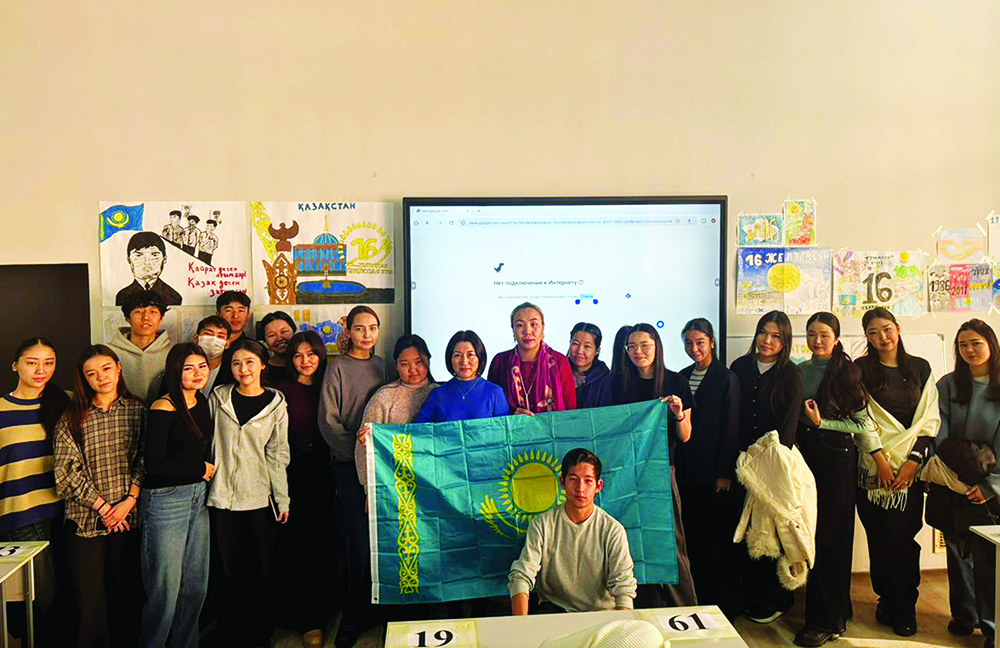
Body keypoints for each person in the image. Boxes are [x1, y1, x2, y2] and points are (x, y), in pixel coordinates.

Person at [793, 312, 887, 647]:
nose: (817, 341)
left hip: (836, 459)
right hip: (806, 457)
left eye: (823, 335)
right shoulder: (800, 370)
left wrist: (824, 424)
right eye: (811, 334)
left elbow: (861, 425)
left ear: (835, 338)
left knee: (831, 539)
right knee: (811, 536)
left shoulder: (847, 372)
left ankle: (826, 622)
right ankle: (837, 609)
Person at [855, 307, 939, 637]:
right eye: (873, 332)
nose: (882, 337)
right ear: (867, 336)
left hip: (909, 470)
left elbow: (930, 419)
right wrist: (879, 460)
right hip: (872, 469)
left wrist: (912, 463)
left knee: (902, 539)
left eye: (887, 329)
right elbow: (859, 416)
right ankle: (886, 600)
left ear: (898, 328)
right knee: (878, 538)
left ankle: (905, 606)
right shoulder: (860, 369)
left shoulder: (920, 367)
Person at [53, 345, 144, 648]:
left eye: (106, 369)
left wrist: (128, 501)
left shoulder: (137, 410)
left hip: (129, 519)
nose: (101, 377)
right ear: (83, 379)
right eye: (91, 374)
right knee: (88, 603)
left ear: (118, 367)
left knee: (127, 595)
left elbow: (146, 458)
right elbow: (66, 473)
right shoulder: (72, 417)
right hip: (85, 522)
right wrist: (105, 507)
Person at [207, 338, 290, 648]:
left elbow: (277, 455)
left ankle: (259, 633)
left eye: (250, 362)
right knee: (227, 571)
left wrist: (282, 498)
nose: (243, 369)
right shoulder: (219, 398)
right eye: (237, 363)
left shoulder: (275, 404)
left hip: (259, 498)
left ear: (263, 365)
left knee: (259, 571)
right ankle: (230, 632)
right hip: (221, 497)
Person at [612, 323, 697, 608]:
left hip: (661, 472)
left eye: (645, 345)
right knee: (630, 539)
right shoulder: (619, 384)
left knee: (670, 541)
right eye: (632, 347)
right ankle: (637, 602)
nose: (638, 352)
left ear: (657, 346)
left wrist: (678, 414)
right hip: (627, 474)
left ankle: (682, 606)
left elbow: (685, 436)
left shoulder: (675, 382)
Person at [318, 305, 388, 647]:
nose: (367, 334)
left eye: (372, 328)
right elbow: (328, 422)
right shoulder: (338, 368)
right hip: (349, 465)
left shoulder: (385, 365)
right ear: (349, 331)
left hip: (383, 467)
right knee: (356, 541)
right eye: (360, 328)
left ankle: (377, 609)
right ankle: (352, 616)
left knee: (381, 539)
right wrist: (359, 453)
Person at [729, 310, 804, 624]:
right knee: (744, 531)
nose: (767, 341)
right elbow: (731, 415)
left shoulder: (791, 373)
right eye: (763, 333)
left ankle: (775, 599)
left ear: (785, 341)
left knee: (771, 533)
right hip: (741, 463)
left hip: (772, 464)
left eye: (776, 336)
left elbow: (789, 425)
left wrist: (772, 464)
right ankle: (748, 595)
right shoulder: (739, 367)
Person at [928, 319, 1000, 645]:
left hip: (990, 487)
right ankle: (964, 614)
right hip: (953, 481)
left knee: (988, 561)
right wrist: (954, 473)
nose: (969, 350)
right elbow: (937, 431)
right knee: (956, 554)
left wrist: (989, 486)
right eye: (963, 345)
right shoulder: (948, 385)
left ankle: (992, 627)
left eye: (976, 343)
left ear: (991, 345)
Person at [139, 343, 215, 648]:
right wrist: (199, 469)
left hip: (198, 497)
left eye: (202, 367)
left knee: (195, 587)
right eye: (188, 368)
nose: (197, 374)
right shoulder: (163, 407)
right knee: (165, 593)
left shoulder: (202, 400)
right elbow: (154, 464)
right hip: (166, 501)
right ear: (174, 371)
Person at [0, 338, 71, 644]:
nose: (41, 370)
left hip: (66, 512)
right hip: (22, 513)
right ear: (15, 366)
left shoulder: (65, 402)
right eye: (32, 362)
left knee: (66, 593)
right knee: (41, 597)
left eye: (49, 363)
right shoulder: (1, 409)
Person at [508, 448, 637, 614]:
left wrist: (622, 627)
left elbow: (624, 588)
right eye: (573, 479)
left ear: (598, 486)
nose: (580, 488)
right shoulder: (542, 525)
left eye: (588, 481)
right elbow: (521, 576)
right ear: (563, 482)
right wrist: (520, 625)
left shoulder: (613, 530)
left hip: (601, 613)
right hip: (554, 610)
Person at [675, 318, 741, 619]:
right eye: (688, 343)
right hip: (687, 469)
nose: (694, 348)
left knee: (716, 540)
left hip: (714, 471)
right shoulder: (682, 376)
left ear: (712, 342)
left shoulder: (726, 378)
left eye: (700, 342)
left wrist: (725, 473)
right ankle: (698, 599)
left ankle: (724, 605)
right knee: (693, 538)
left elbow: (731, 427)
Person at [272, 330, 335, 648]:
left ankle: (316, 617)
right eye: (297, 355)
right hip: (290, 467)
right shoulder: (281, 390)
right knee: (294, 543)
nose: (305, 360)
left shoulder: (329, 385)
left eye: (311, 354)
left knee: (320, 542)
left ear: (321, 355)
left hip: (323, 467)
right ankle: (298, 615)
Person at [357, 334, 439, 495]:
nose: (412, 369)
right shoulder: (384, 397)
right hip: (392, 487)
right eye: (404, 364)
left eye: (418, 362)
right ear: (396, 366)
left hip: (432, 485)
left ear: (428, 361)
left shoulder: (441, 394)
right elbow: (363, 449)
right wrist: (371, 490)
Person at [487, 302, 576, 414]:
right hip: (512, 425)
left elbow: (571, 411)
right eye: (520, 325)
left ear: (543, 327)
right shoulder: (500, 362)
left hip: (554, 425)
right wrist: (512, 414)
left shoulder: (559, 361)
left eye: (534, 324)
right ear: (513, 329)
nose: (528, 331)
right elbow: (492, 407)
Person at [414, 330, 508, 423]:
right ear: (450, 359)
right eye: (457, 355)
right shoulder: (438, 395)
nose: (464, 362)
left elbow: (505, 430)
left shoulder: (495, 393)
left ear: (480, 357)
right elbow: (420, 430)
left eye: (470, 355)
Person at [108, 289, 172, 404]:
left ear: (161, 318)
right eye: (138, 312)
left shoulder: (173, 352)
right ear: (127, 318)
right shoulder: (109, 353)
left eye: (153, 312)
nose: (146, 317)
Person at [115, 231, 182, 307]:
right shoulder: (122, 296)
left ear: (164, 259)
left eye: (154, 255)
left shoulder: (173, 296)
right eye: (139, 255)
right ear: (129, 259)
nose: (147, 262)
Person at [211, 291, 252, 389]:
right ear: (218, 314)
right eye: (229, 310)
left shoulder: (253, 348)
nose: (235, 316)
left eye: (241, 310)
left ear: (248, 315)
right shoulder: (207, 344)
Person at [567, 322, 612, 409]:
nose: (579, 351)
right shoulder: (557, 372)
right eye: (575, 344)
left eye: (587, 346)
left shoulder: (606, 379)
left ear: (597, 351)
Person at [193, 315, 231, 395]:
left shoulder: (231, 371)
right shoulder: (181, 367)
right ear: (196, 338)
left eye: (220, 336)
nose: (214, 339)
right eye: (208, 334)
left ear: (227, 344)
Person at [258, 310, 296, 386]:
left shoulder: (306, 364)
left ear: (294, 333)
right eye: (271, 335)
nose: (279, 338)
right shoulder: (262, 370)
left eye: (284, 331)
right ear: (265, 341)